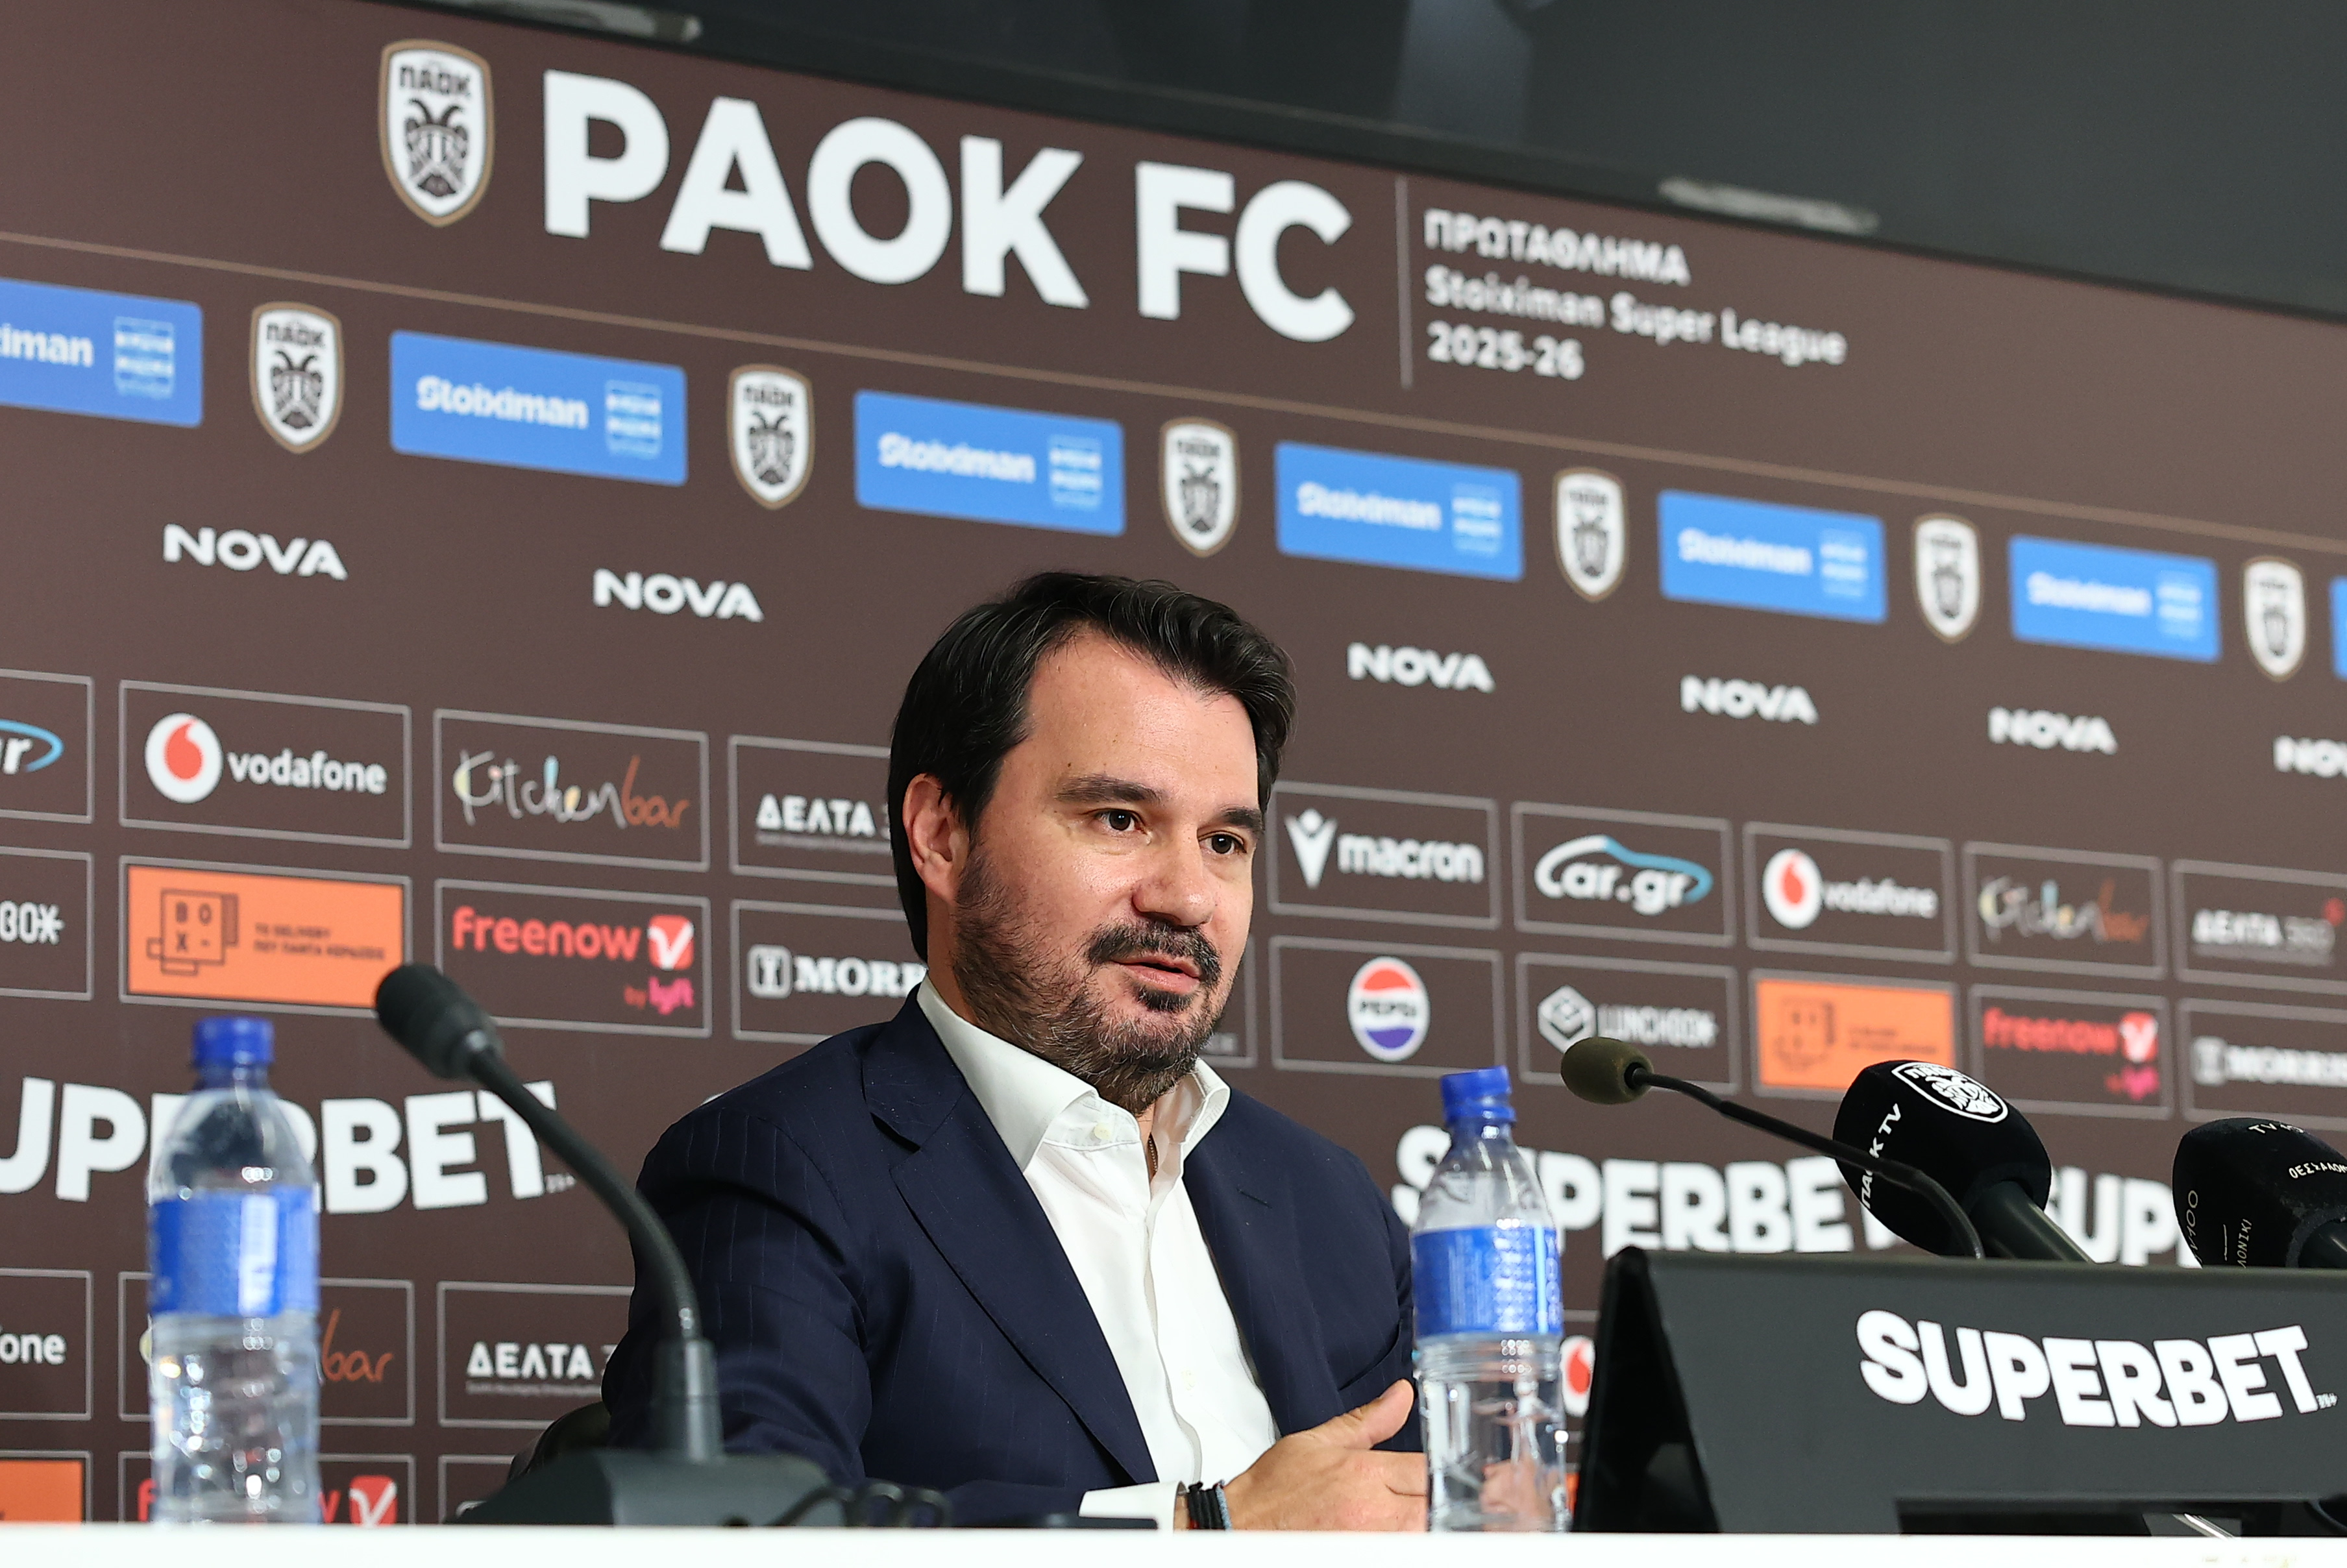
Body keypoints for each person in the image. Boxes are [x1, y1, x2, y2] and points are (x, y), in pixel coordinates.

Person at [603, 572, 1423, 1529]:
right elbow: (743, 1531)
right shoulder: (779, 1170)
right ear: (943, 836)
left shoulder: (1331, 1204)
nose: (1188, 896)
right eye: (1120, 821)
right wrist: (1201, 1530)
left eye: (1224, 842)